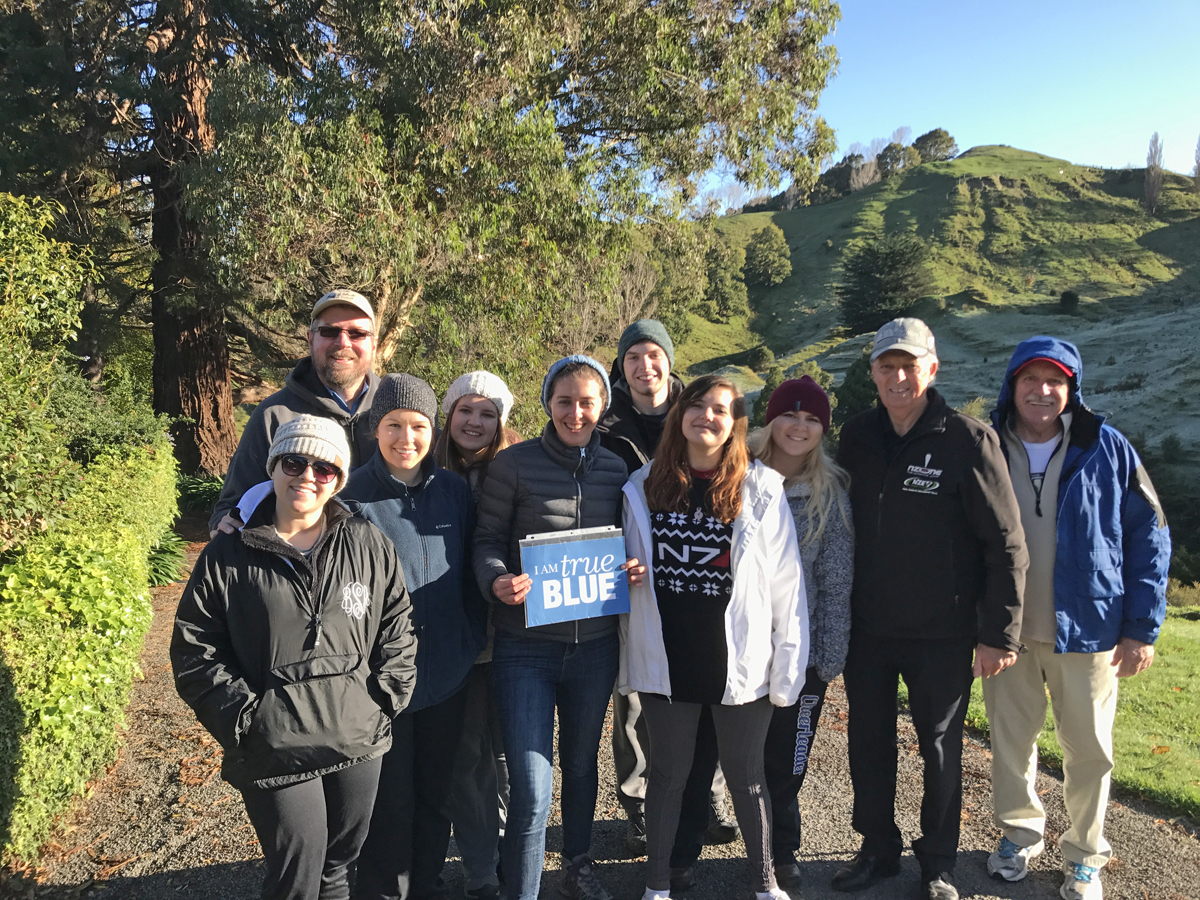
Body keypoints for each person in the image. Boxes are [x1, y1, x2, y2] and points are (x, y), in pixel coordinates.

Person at [172, 415, 417, 900]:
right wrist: (246, 721)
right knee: (296, 875)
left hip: (357, 736)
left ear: (339, 480)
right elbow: (195, 648)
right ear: (274, 466)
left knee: (339, 868)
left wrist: (384, 700)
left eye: (323, 468)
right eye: (294, 462)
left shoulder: (367, 542)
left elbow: (398, 624)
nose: (307, 475)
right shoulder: (228, 553)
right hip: (274, 745)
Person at [834, 318, 1028, 900]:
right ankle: (877, 849)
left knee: (939, 747)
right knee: (868, 742)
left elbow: (1006, 543)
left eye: (909, 366)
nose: (898, 377)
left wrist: (1000, 634)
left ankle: (938, 862)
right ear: (872, 372)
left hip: (942, 631)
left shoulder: (967, 440)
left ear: (932, 369)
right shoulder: (857, 435)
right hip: (867, 627)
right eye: (887, 366)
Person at [982, 337, 1170, 900]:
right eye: (1030, 380)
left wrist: (1142, 627)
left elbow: (1150, 536)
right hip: (1006, 630)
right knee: (1011, 742)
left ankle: (1086, 854)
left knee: (1089, 750)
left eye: (1055, 381)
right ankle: (1019, 832)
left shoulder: (1108, 448)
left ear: (1072, 390)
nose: (1042, 391)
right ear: (1012, 386)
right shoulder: (986, 445)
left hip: (1090, 630)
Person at [619, 373, 807, 900]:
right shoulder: (642, 485)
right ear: (680, 414)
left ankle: (765, 883)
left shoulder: (761, 487)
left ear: (735, 426)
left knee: (748, 780)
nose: (707, 416)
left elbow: (788, 586)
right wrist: (624, 573)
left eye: (721, 410)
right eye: (697, 405)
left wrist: (789, 667)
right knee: (668, 777)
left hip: (739, 661)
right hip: (667, 658)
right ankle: (657, 885)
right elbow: (623, 567)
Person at [473, 355, 646, 900]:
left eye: (587, 402)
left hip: (593, 648)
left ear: (603, 407)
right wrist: (498, 580)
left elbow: (632, 541)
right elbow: (485, 544)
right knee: (530, 783)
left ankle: (577, 864)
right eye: (564, 400)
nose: (575, 413)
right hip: (525, 648)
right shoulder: (513, 465)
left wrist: (634, 567)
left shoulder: (619, 470)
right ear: (548, 402)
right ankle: (520, 889)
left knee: (580, 764)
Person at [341, 375, 488, 900]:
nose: (407, 437)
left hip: (446, 675)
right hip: (379, 686)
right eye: (394, 425)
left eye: (418, 426)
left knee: (435, 795)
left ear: (434, 431)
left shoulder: (452, 492)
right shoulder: (350, 496)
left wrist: (468, 640)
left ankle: (424, 885)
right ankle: (383, 891)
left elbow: (472, 569)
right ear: (374, 430)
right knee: (387, 801)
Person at [597, 320, 738, 858]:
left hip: (701, 578)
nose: (643, 365)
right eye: (633, 356)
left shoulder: (701, 408)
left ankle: (710, 799)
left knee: (710, 693)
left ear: (669, 361)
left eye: (653, 353)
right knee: (634, 696)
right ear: (622, 366)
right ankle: (639, 805)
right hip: (632, 576)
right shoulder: (606, 424)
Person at [748, 376, 854, 896]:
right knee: (729, 754)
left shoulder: (831, 493)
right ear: (770, 420)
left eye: (812, 419)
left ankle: (781, 850)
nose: (800, 426)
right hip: (741, 650)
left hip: (803, 655)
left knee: (787, 760)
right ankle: (687, 845)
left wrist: (828, 658)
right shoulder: (736, 475)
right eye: (790, 415)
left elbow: (836, 581)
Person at [436, 371, 521, 900]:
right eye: (466, 410)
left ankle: (514, 853)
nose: (475, 421)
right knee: (468, 758)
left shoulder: (517, 471)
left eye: (487, 413)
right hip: (454, 642)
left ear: (501, 422)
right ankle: (482, 870)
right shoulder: (424, 470)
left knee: (513, 754)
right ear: (449, 416)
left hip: (512, 637)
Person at [209, 289, 381, 537]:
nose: (343, 342)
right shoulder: (273, 415)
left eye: (357, 334)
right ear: (310, 339)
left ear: (373, 345)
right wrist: (224, 527)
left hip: (386, 567)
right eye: (330, 331)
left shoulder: (397, 415)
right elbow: (233, 508)